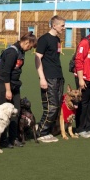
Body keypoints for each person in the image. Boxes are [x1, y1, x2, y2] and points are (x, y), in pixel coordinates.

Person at [0, 32, 37, 148]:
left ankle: (13, 138)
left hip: (15, 85)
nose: (30, 49)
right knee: (4, 113)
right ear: (26, 42)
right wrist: (8, 90)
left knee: (16, 111)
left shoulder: (21, 52)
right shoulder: (12, 52)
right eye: (30, 46)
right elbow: (6, 72)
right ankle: (3, 140)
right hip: (4, 85)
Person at [35, 15, 66, 143]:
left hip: (58, 76)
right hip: (49, 77)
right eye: (62, 25)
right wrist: (42, 78)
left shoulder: (57, 40)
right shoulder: (44, 39)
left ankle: (49, 131)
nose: (64, 28)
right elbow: (37, 58)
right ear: (54, 25)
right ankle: (40, 132)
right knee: (50, 106)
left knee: (57, 105)